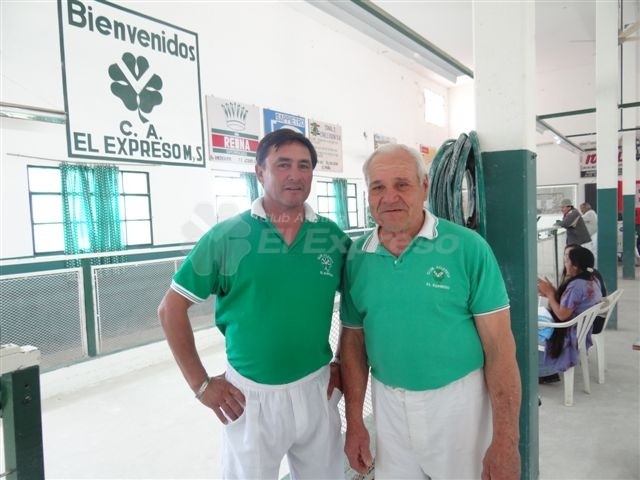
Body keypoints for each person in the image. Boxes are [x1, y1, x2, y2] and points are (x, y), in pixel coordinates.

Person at [158, 129, 350, 479]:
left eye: (304, 166)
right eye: (283, 164)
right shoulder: (226, 237)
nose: (295, 174)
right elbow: (170, 309)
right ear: (260, 172)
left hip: (317, 389)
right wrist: (201, 385)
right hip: (249, 396)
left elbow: (354, 306)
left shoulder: (331, 237)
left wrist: (339, 360)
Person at [340, 144, 521, 479]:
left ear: (424, 187)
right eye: (378, 187)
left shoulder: (467, 248)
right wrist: (354, 423)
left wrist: (507, 441)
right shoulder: (356, 256)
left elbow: (499, 348)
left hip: (459, 405)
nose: (389, 197)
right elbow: (352, 344)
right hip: (388, 406)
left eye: (402, 184)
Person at [537, 246, 603, 383]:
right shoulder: (593, 279)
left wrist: (550, 294)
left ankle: (545, 371)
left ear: (575, 265)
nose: (565, 263)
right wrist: (552, 292)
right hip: (581, 331)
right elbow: (569, 305)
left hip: (569, 334)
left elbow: (562, 315)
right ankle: (546, 370)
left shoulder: (576, 286)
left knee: (525, 329)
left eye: (567, 260)